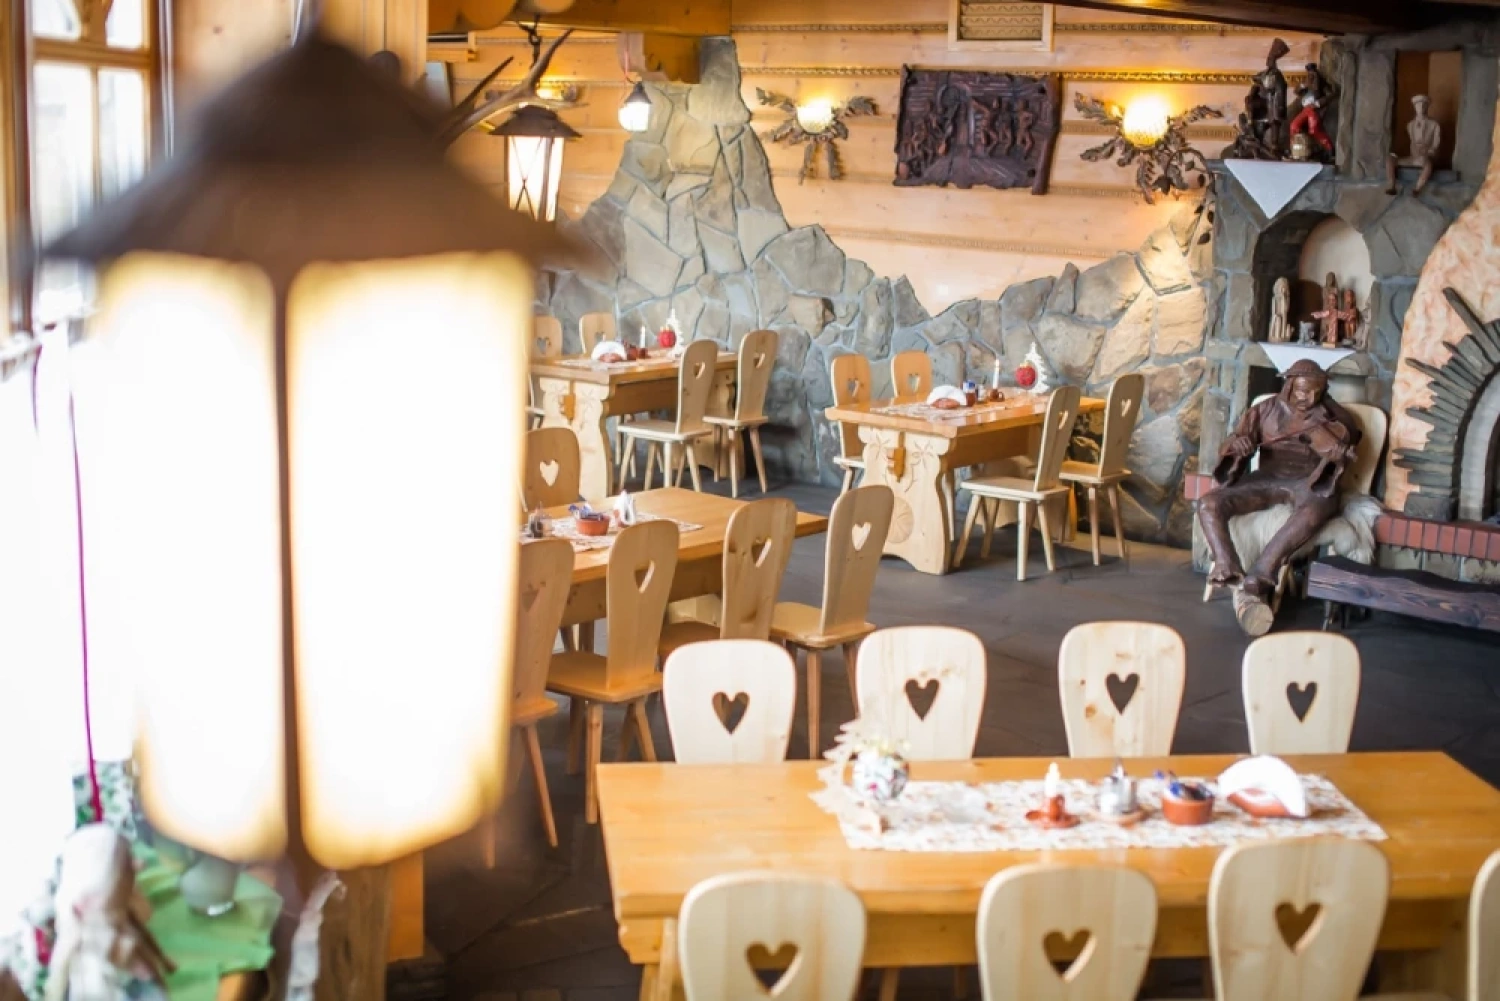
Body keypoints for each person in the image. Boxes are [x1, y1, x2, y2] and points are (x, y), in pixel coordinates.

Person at [1198, 359, 1361, 605]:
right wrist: (1237, 446)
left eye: (1317, 392)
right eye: (1303, 391)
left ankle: (1263, 572)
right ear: (1289, 385)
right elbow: (1232, 442)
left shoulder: (1334, 418)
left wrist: (1338, 454)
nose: (1310, 398)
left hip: (1308, 481)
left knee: (1313, 510)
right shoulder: (1264, 410)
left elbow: (1348, 441)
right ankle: (1226, 563)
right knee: (1208, 503)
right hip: (1267, 477)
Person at [1386, 94, 1441, 195]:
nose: (1421, 107)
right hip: (1413, 157)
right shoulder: (1410, 125)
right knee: (1390, 159)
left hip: (1425, 157)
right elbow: (1411, 141)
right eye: (1418, 105)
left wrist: (1429, 152)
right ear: (1415, 107)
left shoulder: (1434, 125)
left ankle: (1417, 188)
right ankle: (1391, 185)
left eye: (1423, 105)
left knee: (1428, 165)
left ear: (1427, 107)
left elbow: (1436, 143)